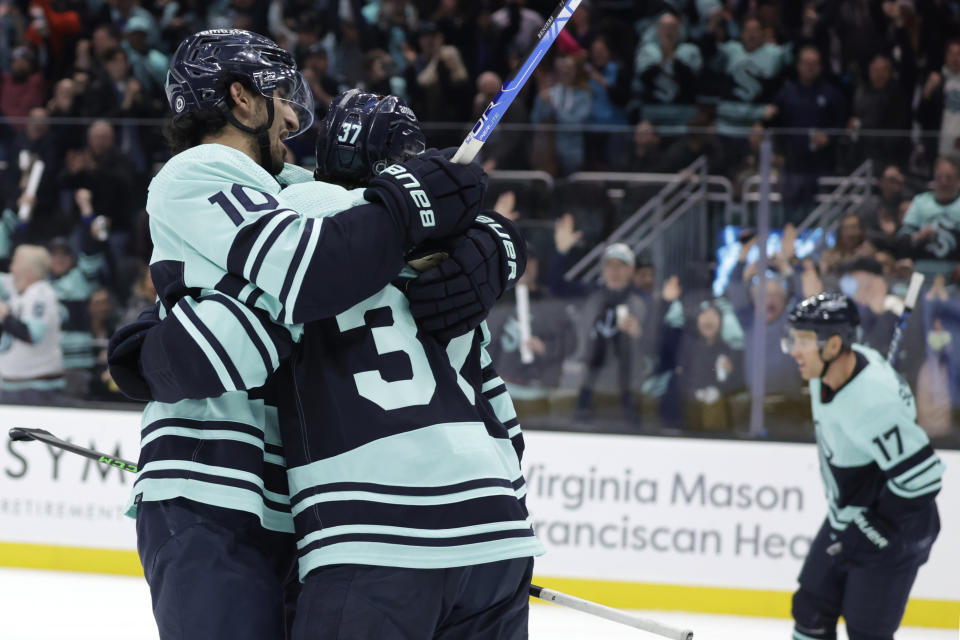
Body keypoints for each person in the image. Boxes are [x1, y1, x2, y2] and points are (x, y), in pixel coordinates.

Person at [112, 86, 540, 638]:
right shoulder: (352, 236)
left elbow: (236, 336)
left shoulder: (312, 220)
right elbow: (504, 424)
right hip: (233, 489)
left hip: (345, 522)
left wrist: (150, 341)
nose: (293, 120)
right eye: (281, 100)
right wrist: (493, 238)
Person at [782, 292, 943, 640]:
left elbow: (924, 478)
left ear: (834, 344)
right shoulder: (834, 371)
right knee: (810, 609)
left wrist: (876, 526)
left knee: (866, 632)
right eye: (793, 339)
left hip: (897, 530)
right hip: (849, 514)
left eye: (804, 341)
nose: (794, 350)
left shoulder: (873, 404)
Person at [0, 245, 64, 404]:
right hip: (14, 387)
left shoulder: (40, 294)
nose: (11, 269)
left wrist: (4, 316)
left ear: (28, 270)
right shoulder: (20, 291)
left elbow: (31, 334)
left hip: (34, 389)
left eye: (15, 264)